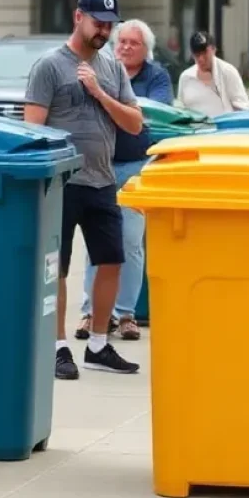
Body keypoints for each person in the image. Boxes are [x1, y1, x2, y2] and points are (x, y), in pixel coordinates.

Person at [24, 0, 144, 380]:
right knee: (58, 267)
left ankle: (97, 344)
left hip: (102, 179)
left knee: (112, 260)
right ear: (78, 17)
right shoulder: (49, 67)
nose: (104, 31)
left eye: (110, 25)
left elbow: (134, 123)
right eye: (98, 23)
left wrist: (98, 91)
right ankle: (59, 347)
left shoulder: (112, 69)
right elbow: (32, 129)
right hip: (63, 183)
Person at [76, 19, 172, 342]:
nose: (126, 47)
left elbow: (147, 112)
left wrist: (107, 101)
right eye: (122, 42)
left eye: (134, 43)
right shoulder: (99, 67)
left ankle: (126, 313)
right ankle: (92, 311)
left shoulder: (156, 76)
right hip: (99, 165)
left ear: (146, 50)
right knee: (96, 240)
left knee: (130, 241)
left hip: (135, 165)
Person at [177, 31, 249, 116]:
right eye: (197, 55)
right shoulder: (185, 77)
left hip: (222, 127)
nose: (201, 59)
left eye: (205, 53)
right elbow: (180, 109)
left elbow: (242, 107)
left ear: (214, 50)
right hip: (194, 127)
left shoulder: (227, 72)